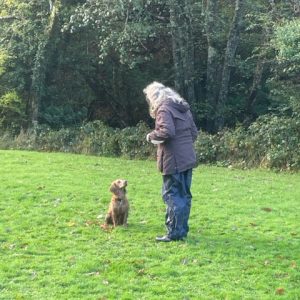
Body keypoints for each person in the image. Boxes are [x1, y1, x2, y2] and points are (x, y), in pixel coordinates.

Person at [143, 81, 198, 242]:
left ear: (154, 97)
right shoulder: (182, 108)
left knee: (172, 195)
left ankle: (173, 232)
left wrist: (151, 136)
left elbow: (166, 131)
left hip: (173, 159)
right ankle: (181, 230)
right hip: (187, 158)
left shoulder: (164, 109)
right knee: (184, 195)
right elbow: (194, 133)